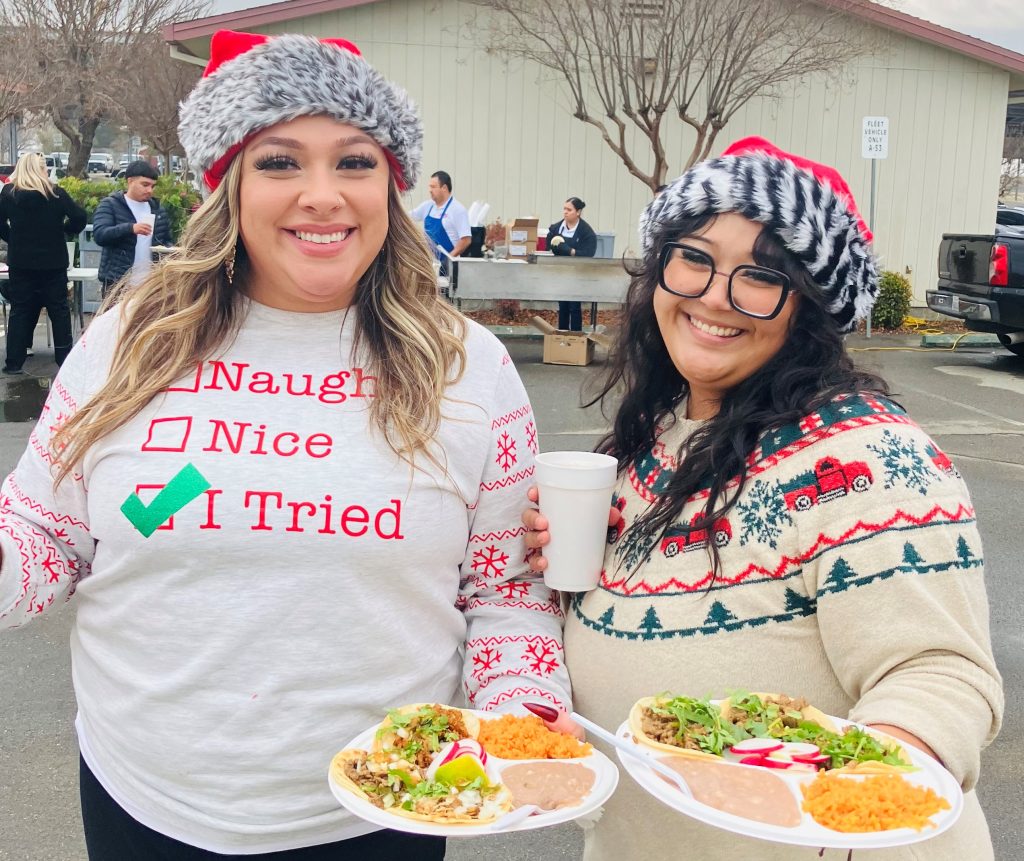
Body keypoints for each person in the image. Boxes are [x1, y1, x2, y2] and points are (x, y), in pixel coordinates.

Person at [0, 29, 569, 860]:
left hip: (382, 811)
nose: (321, 195)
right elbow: (47, 535)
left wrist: (526, 719)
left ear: (392, 183)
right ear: (225, 184)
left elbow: (506, 590)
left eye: (353, 161)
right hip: (145, 802)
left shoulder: (467, 367)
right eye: (278, 162)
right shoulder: (131, 339)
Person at [523, 137, 1003, 859]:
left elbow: (941, 673)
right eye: (694, 257)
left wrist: (854, 800)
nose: (715, 295)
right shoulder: (649, 442)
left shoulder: (868, 456)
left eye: (761, 275)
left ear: (808, 309)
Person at [0, 152, 86, 373]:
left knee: (20, 310)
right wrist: (63, 230)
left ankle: (13, 363)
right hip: (53, 261)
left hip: (21, 262)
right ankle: (64, 360)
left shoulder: (9, 194)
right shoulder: (56, 194)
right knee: (59, 310)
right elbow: (79, 218)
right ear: (40, 170)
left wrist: (13, 238)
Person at [92, 159, 173, 296]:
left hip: (151, 285)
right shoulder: (110, 205)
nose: (149, 190)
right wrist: (130, 228)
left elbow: (167, 240)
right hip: (118, 283)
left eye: (153, 186)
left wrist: (170, 250)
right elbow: (100, 235)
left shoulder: (158, 209)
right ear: (130, 181)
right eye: (145, 184)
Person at [546, 196, 596, 331]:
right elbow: (547, 247)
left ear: (578, 212)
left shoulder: (586, 232)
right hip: (561, 272)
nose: (565, 212)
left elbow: (590, 252)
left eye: (569, 209)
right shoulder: (556, 228)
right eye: (564, 209)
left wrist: (571, 251)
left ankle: (575, 337)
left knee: (574, 306)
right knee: (563, 305)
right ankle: (561, 336)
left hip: (577, 274)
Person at [410, 170, 471, 274]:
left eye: (433, 187)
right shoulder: (427, 206)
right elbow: (408, 217)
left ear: (444, 188)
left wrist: (447, 260)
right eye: (429, 187)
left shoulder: (457, 210)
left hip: (449, 268)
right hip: (429, 266)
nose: (430, 190)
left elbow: (466, 240)